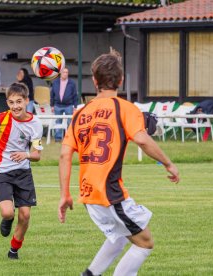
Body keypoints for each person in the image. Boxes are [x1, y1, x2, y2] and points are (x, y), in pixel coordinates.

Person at [58, 50, 180, 276]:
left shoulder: (79, 113)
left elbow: (65, 155)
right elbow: (142, 139)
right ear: (121, 80)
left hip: (88, 194)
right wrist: (168, 163)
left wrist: (65, 194)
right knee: (144, 242)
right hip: (109, 193)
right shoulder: (125, 108)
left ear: (94, 81)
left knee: (120, 236)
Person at [0, 83, 43, 259]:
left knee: (26, 215)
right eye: (11, 102)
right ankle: (8, 219)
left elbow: (37, 155)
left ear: (27, 101)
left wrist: (25, 155)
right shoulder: (0, 119)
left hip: (23, 172)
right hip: (2, 170)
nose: (15, 106)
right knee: (7, 212)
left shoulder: (35, 124)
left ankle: (13, 250)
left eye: (19, 101)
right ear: (7, 103)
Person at [50, 67, 78, 142]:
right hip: (57, 105)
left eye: (66, 72)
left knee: (70, 122)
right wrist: (52, 105)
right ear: (60, 73)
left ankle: (69, 138)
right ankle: (58, 138)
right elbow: (52, 94)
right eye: (64, 72)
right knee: (58, 122)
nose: (65, 74)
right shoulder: (55, 82)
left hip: (69, 105)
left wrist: (75, 106)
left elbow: (75, 95)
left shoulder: (72, 83)